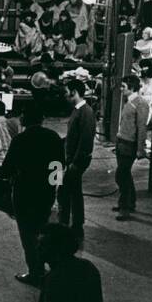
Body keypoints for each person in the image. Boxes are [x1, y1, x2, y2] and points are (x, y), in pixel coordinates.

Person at [2, 103, 64, 287]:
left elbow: (6, 169)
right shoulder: (53, 137)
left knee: (27, 234)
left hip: (24, 193)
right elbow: (59, 165)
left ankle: (35, 272)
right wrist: (55, 190)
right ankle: (47, 266)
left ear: (24, 119)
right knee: (43, 230)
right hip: (45, 192)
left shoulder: (19, 140)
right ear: (42, 119)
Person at [56, 79, 95, 237]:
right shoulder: (78, 110)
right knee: (73, 191)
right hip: (72, 160)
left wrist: (74, 163)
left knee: (65, 192)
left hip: (76, 162)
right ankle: (75, 224)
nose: (65, 96)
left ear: (74, 93)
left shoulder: (85, 112)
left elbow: (85, 140)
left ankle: (67, 224)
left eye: (67, 93)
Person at [113, 74, 149, 220]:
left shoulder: (140, 103)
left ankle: (125, 208)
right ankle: (130, 202)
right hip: (122, 142)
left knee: (121, 175)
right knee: (125, 174)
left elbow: (142, 128)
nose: (121, 89)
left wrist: (140, 148)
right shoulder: (129, 102)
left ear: (132, 87)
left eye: (123, 87)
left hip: (129, 145)